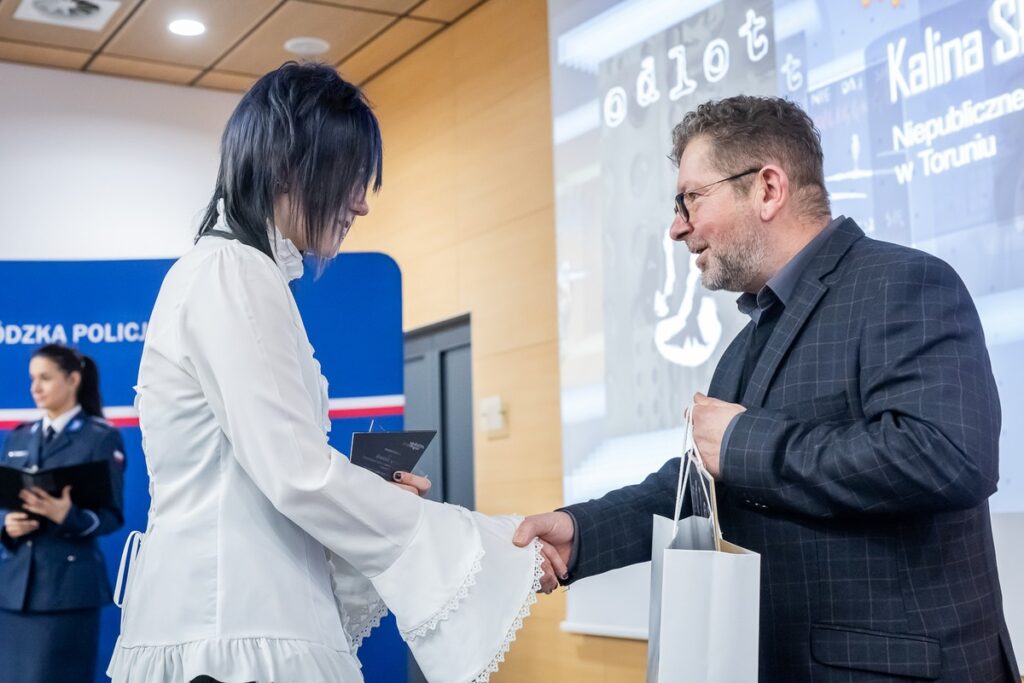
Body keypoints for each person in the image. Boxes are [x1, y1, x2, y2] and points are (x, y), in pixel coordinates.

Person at [515, 95, 1020, 682]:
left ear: (768, 189)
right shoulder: (745, 345)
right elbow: (701, 490)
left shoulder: (905, 282)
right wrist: (581, 534)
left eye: (690, 199)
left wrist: (741, 443)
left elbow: (949, 456)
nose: (677, 227)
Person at [107, 62, 542, 683]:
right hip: (234, 631)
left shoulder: (234, 273)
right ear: (289, 167)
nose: (362, 204)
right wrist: (480, 546)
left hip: (233, 616)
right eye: (350, 179)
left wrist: (370, 497)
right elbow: (297, 474)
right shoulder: (233, 272)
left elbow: (276, 474)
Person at [0, 343, 126, 683]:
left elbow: (112, 515)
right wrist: (7, 526)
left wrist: (67, 515)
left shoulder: (100, 438)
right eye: (32, 379)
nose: (34, 388)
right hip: (13, 592)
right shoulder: (18, 437)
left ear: (72, 379)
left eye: (45, 378)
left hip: (66, 592)